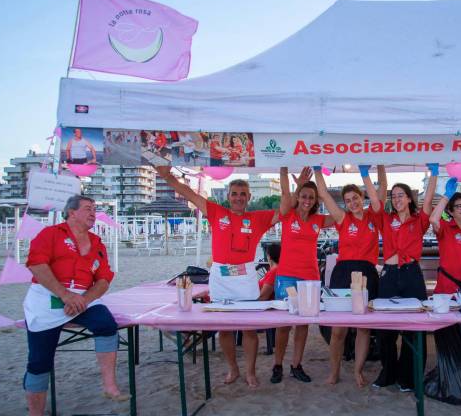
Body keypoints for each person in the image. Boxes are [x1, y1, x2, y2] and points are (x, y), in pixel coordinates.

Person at [156, 166, 278, 388]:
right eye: (234, 194)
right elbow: (187, 193)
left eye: (243, 194)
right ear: (228, 196)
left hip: (246, 277)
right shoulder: (216, 212)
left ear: (249, 197)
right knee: (224, 327)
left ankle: (250, 372)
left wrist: (292, 183)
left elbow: (286, 210)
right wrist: (166, 176)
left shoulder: (258, 218)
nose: (239, 198)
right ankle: (233, 369)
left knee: (250, 328)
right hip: (221, 278)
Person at [23, 195, 126, 416]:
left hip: (82, 298)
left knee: (106, 324)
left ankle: (109, 385)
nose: (93, 213)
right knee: (39, 362)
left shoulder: (97, 242)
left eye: (95, 209)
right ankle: (35, 413)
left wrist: (82, 300)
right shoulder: (50, 234)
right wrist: (65, 295)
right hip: (47, 299)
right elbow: (36, 264)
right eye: (88, 208)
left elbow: (104, 278)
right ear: (72, 212)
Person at [313, 164, 386, 387]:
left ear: (362, 196)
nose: (353, 203)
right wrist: (317, 167)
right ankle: (334, 372)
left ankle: (358, 371)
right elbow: (323, 194)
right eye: (348, 200)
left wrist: (381, 162)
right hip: (343, 272)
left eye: (355, 198)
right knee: (338, 328)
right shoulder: (343, 218)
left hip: (367, 272)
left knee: (363, 327)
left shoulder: (375, 215)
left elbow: (382, 186)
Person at [372, 163, 438, 391]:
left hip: (411, 275)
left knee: (413, 326)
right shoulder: (385, 219)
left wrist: (434, 173)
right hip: (389, 276)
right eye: (394, 195)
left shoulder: (419, 221)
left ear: (410, 199)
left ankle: (408, 377)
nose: (397, 199)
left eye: (401, 195)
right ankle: (388, 373)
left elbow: (429, 201)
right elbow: (374, 200)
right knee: (385, 329)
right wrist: (365, 175)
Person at [272, 167, 336, 384]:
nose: (307, 200)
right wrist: (296, 181)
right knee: (283, 323)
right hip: (287, 276)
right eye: (304, 196)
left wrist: (325, 194)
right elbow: (283, 192)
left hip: (310, 278)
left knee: (302, 325)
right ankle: (277, 365)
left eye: (311, 197)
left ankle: (296, 365)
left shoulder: (319, 220)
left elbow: (339, 216)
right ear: (298, 197)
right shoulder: (287, 215)